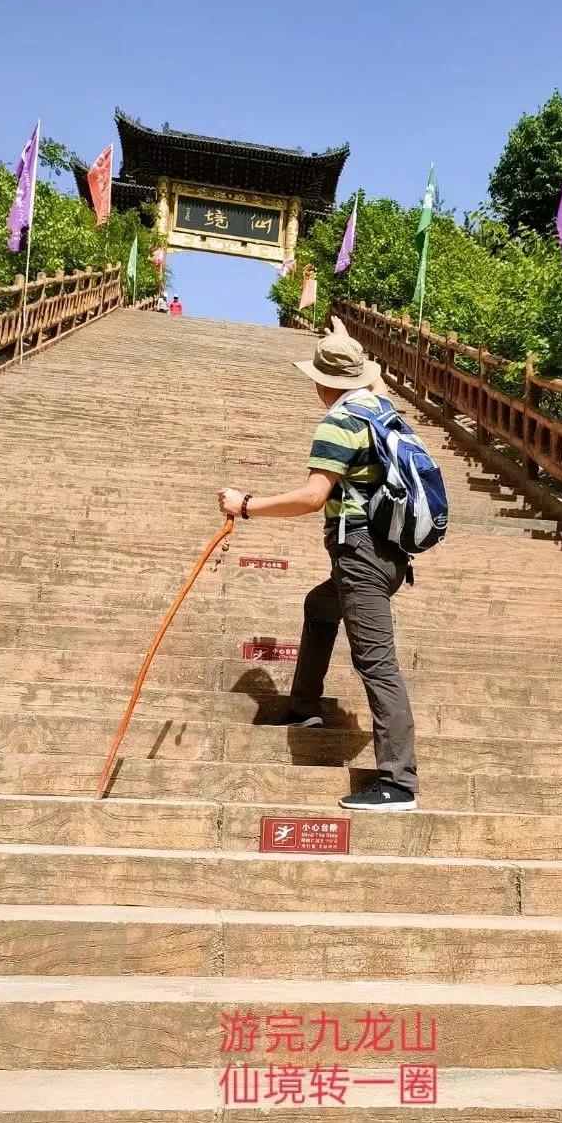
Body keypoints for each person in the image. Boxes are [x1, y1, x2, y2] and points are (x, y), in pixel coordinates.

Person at [216, 328, 417, 811]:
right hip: (391, 551)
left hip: (361, 554)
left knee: (376, 662)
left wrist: (246, 505)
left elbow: (312, 497)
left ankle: (398, 782)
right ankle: (304, 706)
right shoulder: (382, 410)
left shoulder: (338, 421)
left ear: (322, 382)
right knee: (320, 606)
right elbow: (378, 384)